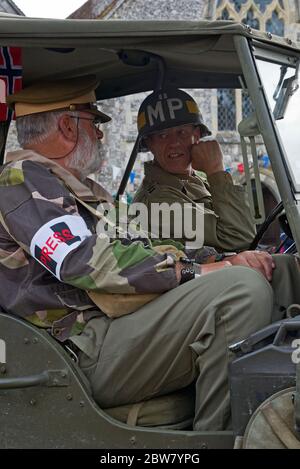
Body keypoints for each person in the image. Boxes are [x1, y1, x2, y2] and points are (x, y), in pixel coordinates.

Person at [0, 75, 299, 432]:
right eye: (94, 122)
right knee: (240, 289)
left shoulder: (73, 186)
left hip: (113, 325)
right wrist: (202, 272)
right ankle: (220, 439)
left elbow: (139, 245)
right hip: (80, 345)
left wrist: (211, 260)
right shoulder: (20, 180)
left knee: (281, 269)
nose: (100, 134)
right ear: (67, 125)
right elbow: (81, 260)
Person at [134, 87, 256, 252]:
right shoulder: (157, 201)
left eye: (182, 132)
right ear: (149, 144)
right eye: (162, 136)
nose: (174, 143)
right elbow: (240, 238)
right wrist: (215, 170)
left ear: (197, 135)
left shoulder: (193, 181)